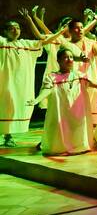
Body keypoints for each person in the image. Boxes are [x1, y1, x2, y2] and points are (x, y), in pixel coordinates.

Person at [28, 49, 97, 155]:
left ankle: (77, 146)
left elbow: (94, 83)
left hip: (76, 111)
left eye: (71, 57)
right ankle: (59, 146)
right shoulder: (52, 77)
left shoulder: (79, 75)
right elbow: (46, 90)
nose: (69, 60)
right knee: (60, 129)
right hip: (62, 109)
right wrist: (37, 99)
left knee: (77, 128)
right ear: (59, 61)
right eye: (66, 57)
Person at [1, 17, 64, 146]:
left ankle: (8, 136)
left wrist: (59, 33)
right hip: (4, 81)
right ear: (5, 31)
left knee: (13, 107)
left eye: (17, 28)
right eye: (12, 28)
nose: (15, 30)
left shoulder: (25, 44)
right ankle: (7, 136)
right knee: (5, 106)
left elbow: (45, 41)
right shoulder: (2, 43)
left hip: (19, 84)